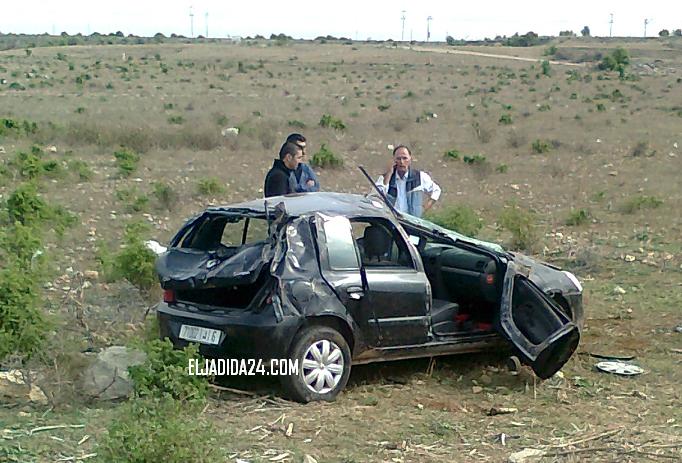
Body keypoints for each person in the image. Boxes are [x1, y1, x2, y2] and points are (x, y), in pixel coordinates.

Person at [375, 144, 441, 217]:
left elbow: (436, 190)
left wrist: (424, 208)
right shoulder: (385, 178)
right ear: (394, 160)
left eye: (405, 158)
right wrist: (389, 174)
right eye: (398, 159)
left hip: (412, 222)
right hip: (391, 220)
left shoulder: (419, 177)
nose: (402, 162)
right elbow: (377, 195)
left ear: (410, 159)